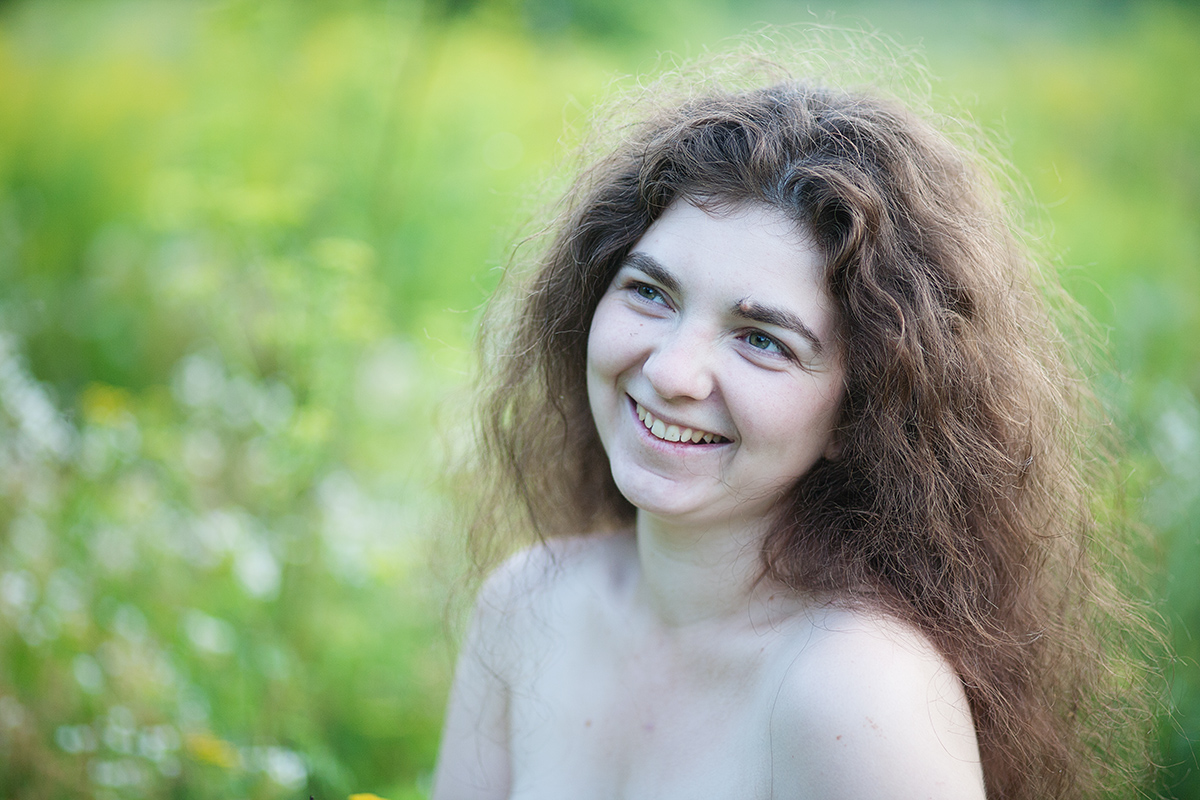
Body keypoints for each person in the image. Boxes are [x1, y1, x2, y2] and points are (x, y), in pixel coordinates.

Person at [432, 40, 1158, 800]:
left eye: (761, 340)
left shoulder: (861, 694)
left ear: (862, 412)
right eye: (650, 293)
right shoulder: (527, 604)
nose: (672, 372)